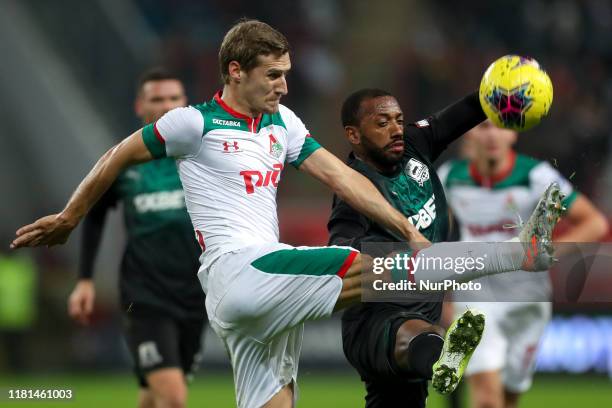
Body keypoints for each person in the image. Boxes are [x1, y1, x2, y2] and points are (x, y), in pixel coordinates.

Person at [11, 20, 563, 408]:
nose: (284, 85)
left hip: (258, 300)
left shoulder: (282, 124)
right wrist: (68, 217)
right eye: (273, 75)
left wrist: (404, 227)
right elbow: (117, 155)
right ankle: (523, 253)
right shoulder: (192, 124)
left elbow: (342, 177)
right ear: (235, 71)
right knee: (373, 268)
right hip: (241, 271)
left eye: (286, 73)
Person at [327, 88, 489, 407]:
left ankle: (441, 354)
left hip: (423, 308)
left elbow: (467, 110)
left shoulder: (413, 143)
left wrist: (500, 89)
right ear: (353, 134)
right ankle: (443, 353)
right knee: (424, 340)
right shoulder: (353, 194)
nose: (396, 129)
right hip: (375, 321)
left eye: (399, 120)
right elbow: (341, 259)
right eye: (382, 122)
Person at [438, 120, 609, 408]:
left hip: (529, 300)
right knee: (487, 401)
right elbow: (432, 238)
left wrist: (547, 250)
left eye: (498, 127)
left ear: (513, 133)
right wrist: (440, 294)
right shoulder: (449, 178)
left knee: (508, 398)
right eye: (482, 128)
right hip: (476, 296)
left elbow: (594, 222)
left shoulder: (536, 177)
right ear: (469, 135)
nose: (492, 135)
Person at [66, 68, 206, 408]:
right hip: (145, 295)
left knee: (153, 393)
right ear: (139, 106)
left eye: (174, 98)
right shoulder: (123, 160)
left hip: (196, 293)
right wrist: (85, 279)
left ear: (186, 104)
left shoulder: (202, 157)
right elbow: (95, 216)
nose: (167, 106)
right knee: (173, 397)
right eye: (157, 99)